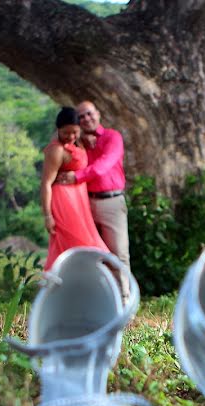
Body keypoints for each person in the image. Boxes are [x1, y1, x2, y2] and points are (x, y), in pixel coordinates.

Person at [56, 101, 131, 301]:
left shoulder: (112, 137)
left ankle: (123, 300)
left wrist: (77, 176)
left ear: (98, 114)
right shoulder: (78, 143)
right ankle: (98, 300)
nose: (87, 118)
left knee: (117, 252)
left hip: (111, 201)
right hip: (84, 203)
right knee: (90, 254)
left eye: (89, 114)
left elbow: (103, 165)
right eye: (81, 117)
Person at [40, 107, 109, 271]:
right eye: (65, 133)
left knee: (86, 243)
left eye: (75, 132)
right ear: (58, 130)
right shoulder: (56, 150)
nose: (70, 137)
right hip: (63, 201)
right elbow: (46, 183)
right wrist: (48, 215)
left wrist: (83, 136)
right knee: (76, 242)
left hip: (79, 201)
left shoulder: (78, 141)